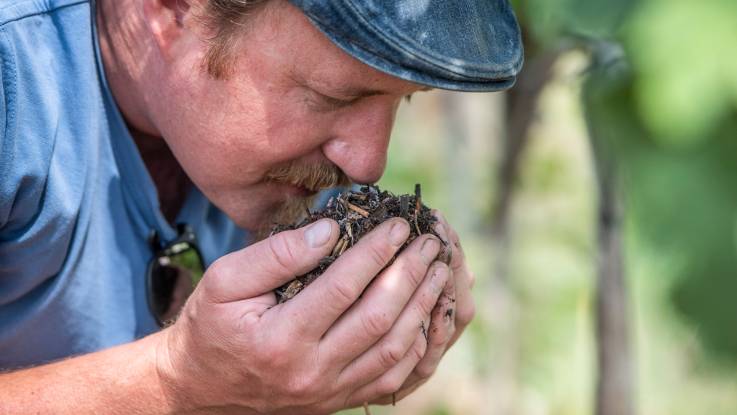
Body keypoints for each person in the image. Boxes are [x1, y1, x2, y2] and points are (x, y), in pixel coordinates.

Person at [0, 0, 522, 413]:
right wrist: (176, 382)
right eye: (332, 97)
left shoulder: (297, 176)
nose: (369, 164)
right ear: (173, 9)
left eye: (403, 99)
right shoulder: (15, 78)